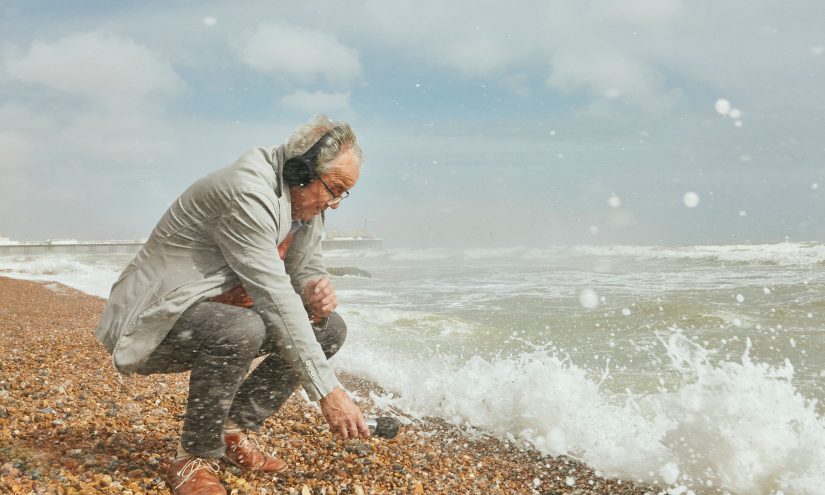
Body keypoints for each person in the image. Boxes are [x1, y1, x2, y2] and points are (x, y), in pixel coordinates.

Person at [95, 115, 369, 495]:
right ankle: (192, 457)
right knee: (241, 328)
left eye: (344, 194)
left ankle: (230, 430)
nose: (336, 204)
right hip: (151, 322)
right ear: (300, 170)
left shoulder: (308, 205)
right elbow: (273, 296)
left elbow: (304, 266)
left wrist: (312, 287)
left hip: (210, 313)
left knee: (328, 327)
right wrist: (328, 391)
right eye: (334, 189)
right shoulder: (248, 193)